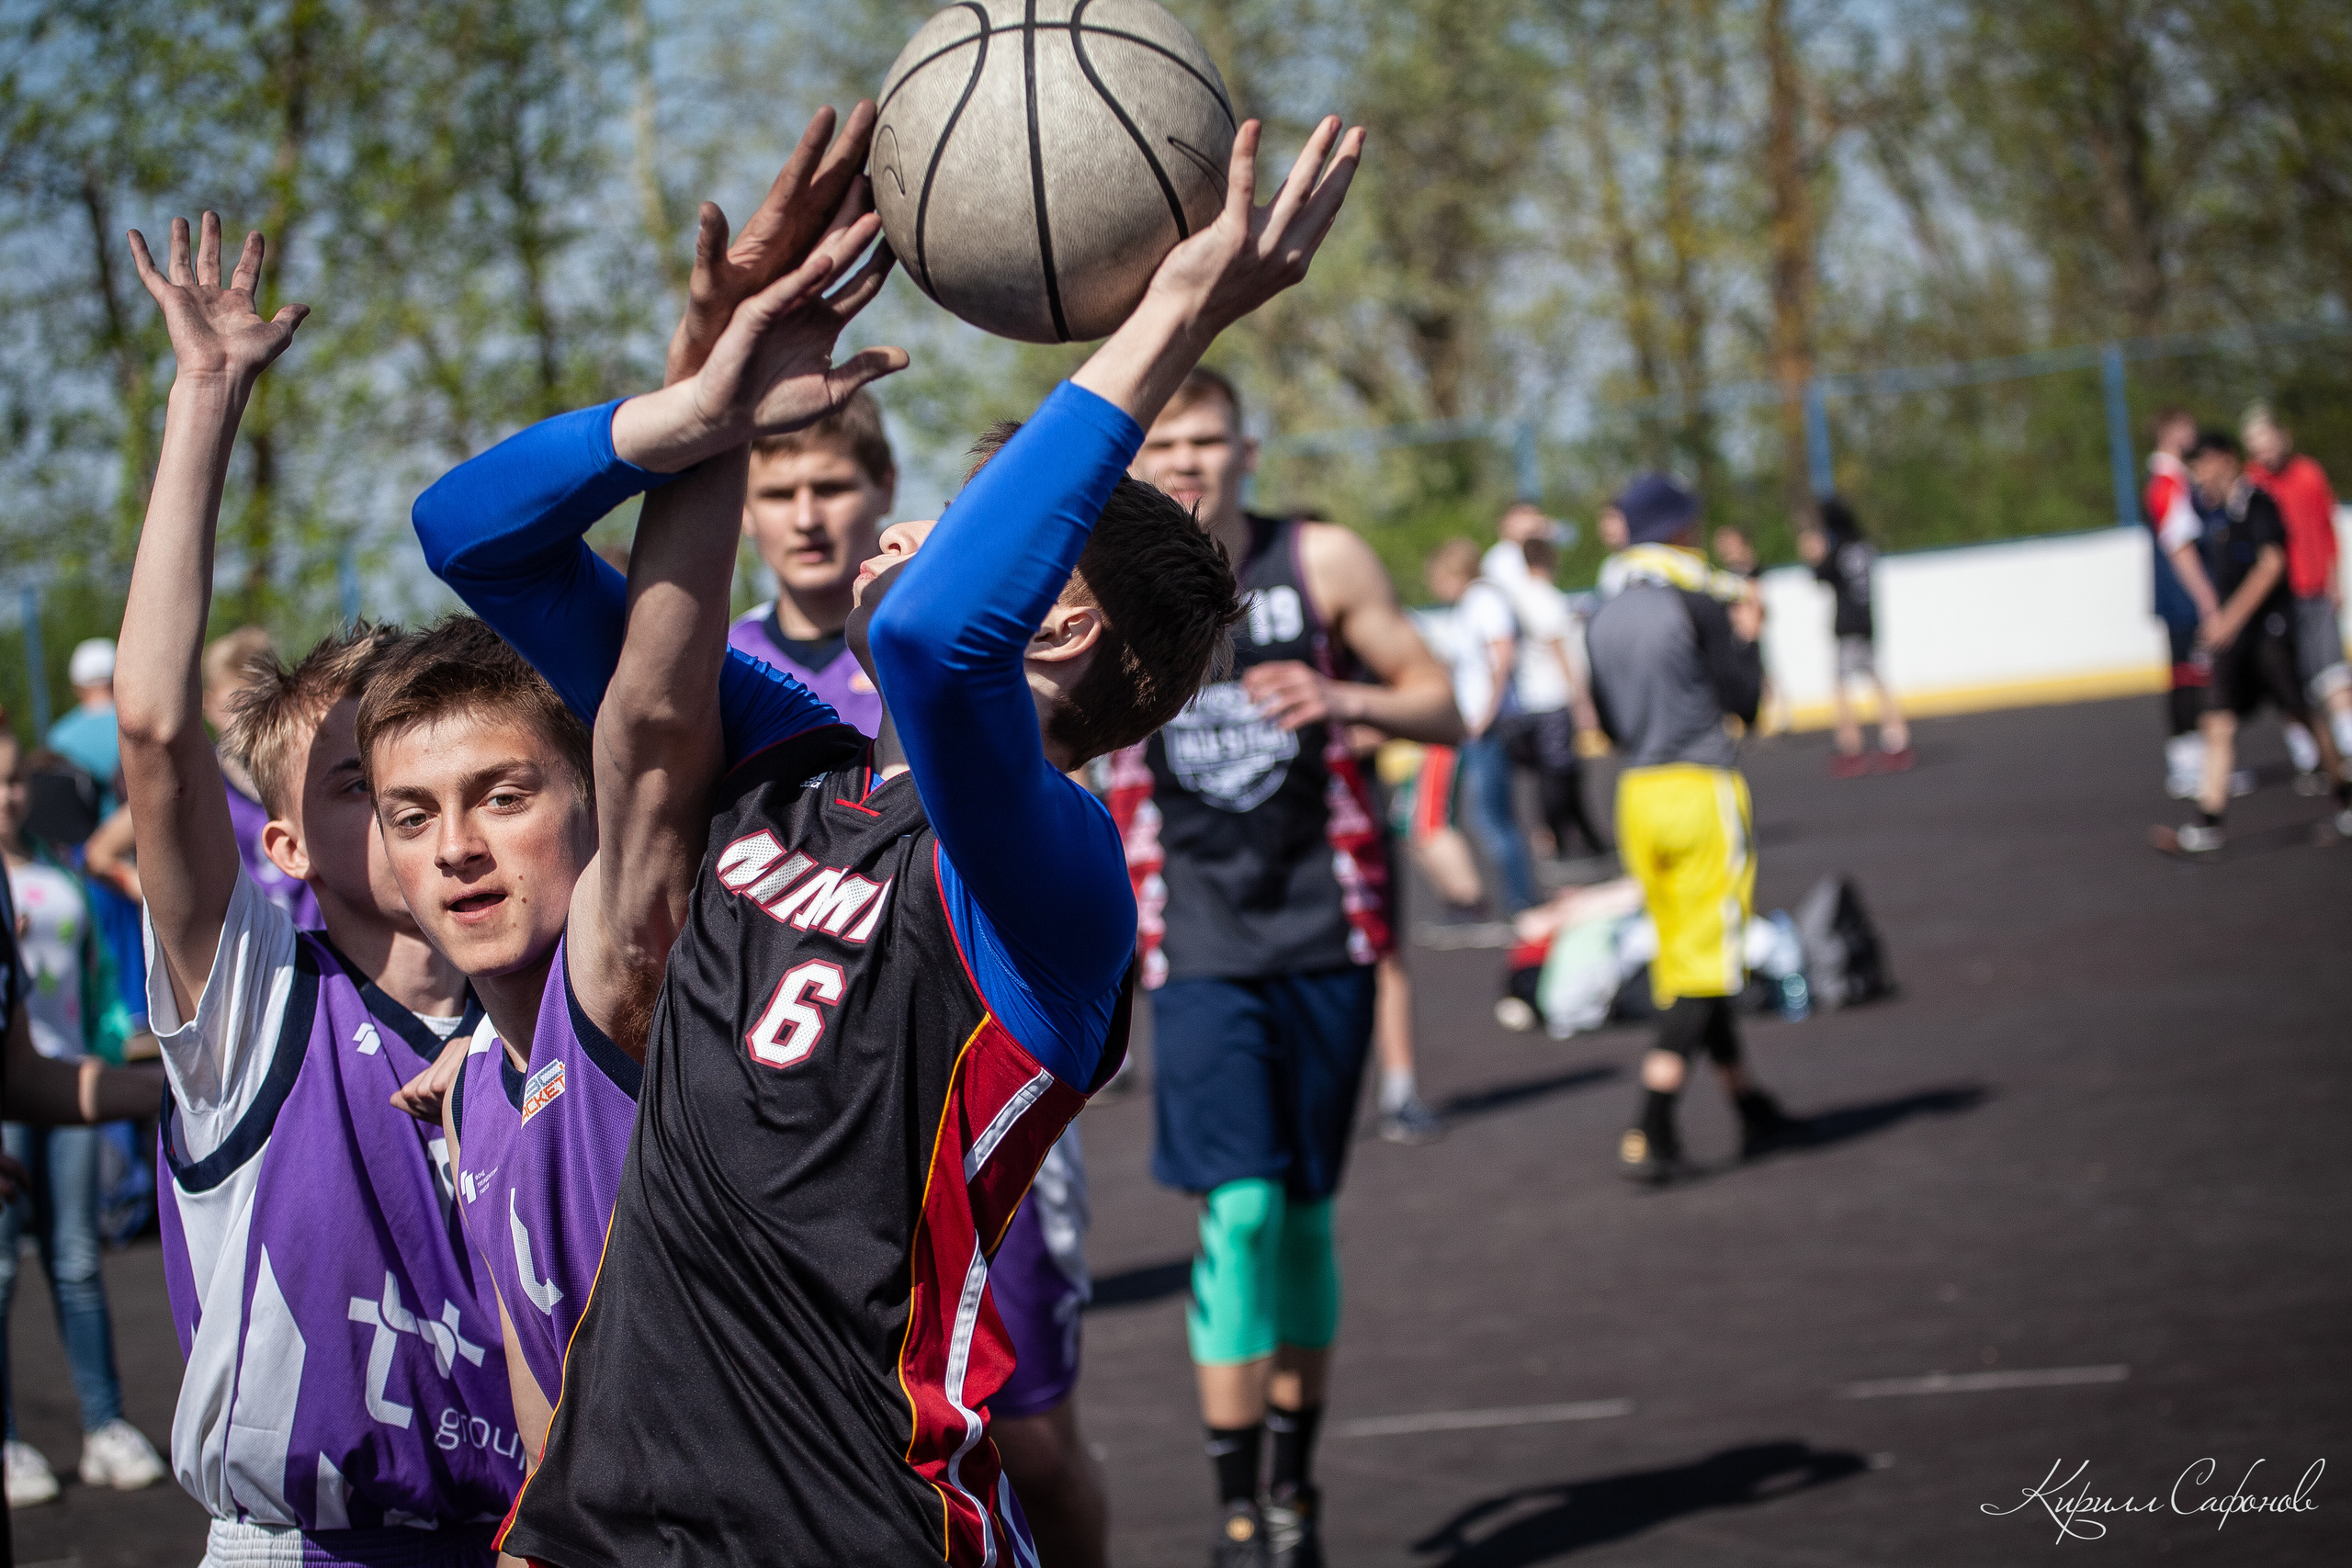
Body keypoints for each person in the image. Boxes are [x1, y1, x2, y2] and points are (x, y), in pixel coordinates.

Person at [492, 114, 1351, 1568]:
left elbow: (950, 641)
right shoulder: (792, 764)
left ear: (1059, 621)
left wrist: (1175, 313)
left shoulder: (1055, 885)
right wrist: (695, 408)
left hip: (852, 1523)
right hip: (596, 1517)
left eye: (972, 518)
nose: (924, 527)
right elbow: (478, 537)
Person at [115, 213, 512, 1566]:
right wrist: (207, 396)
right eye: (356, 784)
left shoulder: (548, 1014)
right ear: (283, 845)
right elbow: (158, 731)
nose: (411, 813)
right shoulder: (252, 1009)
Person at [1123, 287, 1459, 1568]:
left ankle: (1300, 1489)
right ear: (1136, 457)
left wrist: (1344, 691)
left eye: (1207, 443)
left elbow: (1444, 706)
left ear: (1243, 453)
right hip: (1194, 942)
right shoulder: (1110, 578)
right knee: (1244, 1211)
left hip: (1326, 928)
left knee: (1308, 1215)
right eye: (1162, 446)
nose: (1188, 464)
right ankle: (1236, 1509)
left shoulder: (1319, 561)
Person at [1586, 473, 1801, 1183]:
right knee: (1710, 967)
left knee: (1686, 957)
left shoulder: (1605, 608)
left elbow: (1611, 722)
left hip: (1639, 795)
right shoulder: (1697, 599)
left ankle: (1748, 1103)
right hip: (1701, 790)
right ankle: (1650, 1120)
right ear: (1678, 528)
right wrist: (1752, 634)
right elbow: (1745, 702)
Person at [0, 732, 164, 1507]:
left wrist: (161, 1080)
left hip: (67, 1080)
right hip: (17, 1096)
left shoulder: (55, 874)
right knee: (1, 1271)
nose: (7, 796)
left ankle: (105, 1425)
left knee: (76, 1258)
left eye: (11, 779)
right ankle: (7, 1439)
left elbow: (94, 979)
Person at [2157, 432, 2352, 853]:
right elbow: (2176, 542)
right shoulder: (2208, 510)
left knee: (2303, 715)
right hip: (2235, 642)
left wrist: (2229, 619)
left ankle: (2345, 793)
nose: (2198, 473)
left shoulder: (2258, 504)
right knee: (2217, 723)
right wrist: (2212, 610)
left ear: (2227, 460)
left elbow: (2271, 565)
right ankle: (2208, 824)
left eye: (2204, 462)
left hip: (2269, 635)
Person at [727, 389, 894, 736]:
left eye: (831, 489)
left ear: (886, 488)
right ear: (744, 509)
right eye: (779, 495)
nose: (806, 520)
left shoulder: (931, 650)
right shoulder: (723, 665)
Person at [1424, 537, 1538, 913]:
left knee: (1490, 817)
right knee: (1492, 815)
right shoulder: (1471, 605)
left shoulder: (1483, 600)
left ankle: (1520, 898)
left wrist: (1486, 715)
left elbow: (1502, 656)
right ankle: (1518, 895)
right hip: (1477, 723)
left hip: (1486, 726)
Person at [2243, 405, 2351, 778]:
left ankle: (2347, 746)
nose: (2266, 453)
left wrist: (2335, 577)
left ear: (2282, 436)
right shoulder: (2252, 485)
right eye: (2257, 448)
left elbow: (2326, 527)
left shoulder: (2309, 473)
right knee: (2292, 680)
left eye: (2268, 442)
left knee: (2333, 672)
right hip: (2279, 599)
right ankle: (2313, 755)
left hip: (2316, 587)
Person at [204, 627, 322, 929]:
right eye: (234, 704)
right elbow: (102, 852)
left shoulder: (308, 769)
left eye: (257, 702)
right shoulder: (202, 784)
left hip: (317, 943)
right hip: (253, 951)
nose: (245, 715)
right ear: (208, 705)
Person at [1799, 496, 1910, 775]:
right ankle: (1896, 740)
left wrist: (1813, 554)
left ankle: (1852, 749)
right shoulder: (1864, 547)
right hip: (1866, 622)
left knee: (1840, 687)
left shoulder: (1840, 550)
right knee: (1877, 681)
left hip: (1847, 627)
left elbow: (1820, 576)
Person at [2145, 408, 2219, 799]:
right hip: (2183, 599)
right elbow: (2180, 545)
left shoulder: (2175, 479)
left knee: (2191, 676)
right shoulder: (2167, 482)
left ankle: (2199, 763)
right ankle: (2191, 765)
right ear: (2170, 431)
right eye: (2186, 427)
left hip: (2180, 597)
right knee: (2190, 678)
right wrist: (2207, 597)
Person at [45, 641, 121, 810]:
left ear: (77, 687)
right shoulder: (136, 725)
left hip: (85, 835)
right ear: (116, 678)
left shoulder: (59, 736)